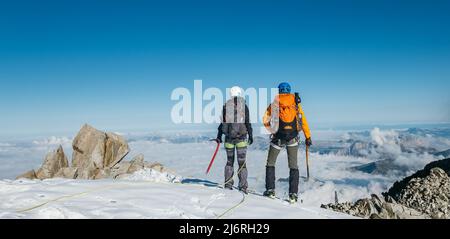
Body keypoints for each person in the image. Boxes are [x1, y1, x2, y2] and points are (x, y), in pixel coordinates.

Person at [262, 82, 312, 203]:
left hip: (278, 137)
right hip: (293, 138)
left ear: (279, 91)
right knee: (293, 166)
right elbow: (303, 120)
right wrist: (308, 136)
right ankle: (293, 195)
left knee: (270, 163)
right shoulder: (295, 104)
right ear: (289, 91)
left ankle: (270, 191)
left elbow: (265, 120)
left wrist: (272, 130)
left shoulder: (274, 104)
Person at [216, 86, 253, 194]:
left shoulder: (226, 106)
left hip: (228, 139)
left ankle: (228, 184)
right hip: (241, 138)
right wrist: (250, 135)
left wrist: (219, 136)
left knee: (229, 162)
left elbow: (222, 123)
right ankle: (243, 187)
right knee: (242, 164)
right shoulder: (244, 106)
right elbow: (247, 122)